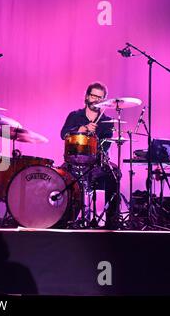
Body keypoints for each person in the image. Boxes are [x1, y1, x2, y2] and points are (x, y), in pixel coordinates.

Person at [60, 81, 120, 229]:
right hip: (73, 162)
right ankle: (66, 219)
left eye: (100, 98)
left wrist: (94, 139)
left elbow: (105, 147)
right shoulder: (75, 116)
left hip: (95, 164)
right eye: (94, 96)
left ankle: (112, 221)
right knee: (60, 177)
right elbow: (63, 134)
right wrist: (82, 129)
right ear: (87, 97)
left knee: (115, 174)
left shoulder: (107, 122)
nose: (96, 100)